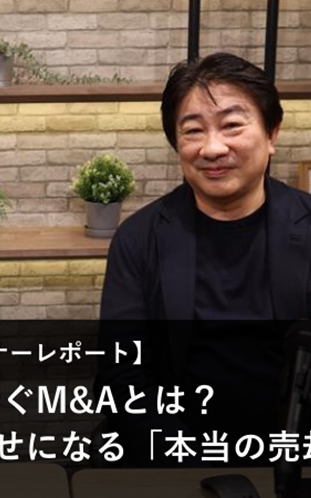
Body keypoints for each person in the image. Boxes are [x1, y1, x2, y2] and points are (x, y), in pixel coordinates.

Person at [95, 52, 311, 466]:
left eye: (232, 125)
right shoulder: (139, 237)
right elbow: (122, 376)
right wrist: (183, 461)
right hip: (171, 454)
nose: (213, 148)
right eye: (193, 130)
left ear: (271, 133)